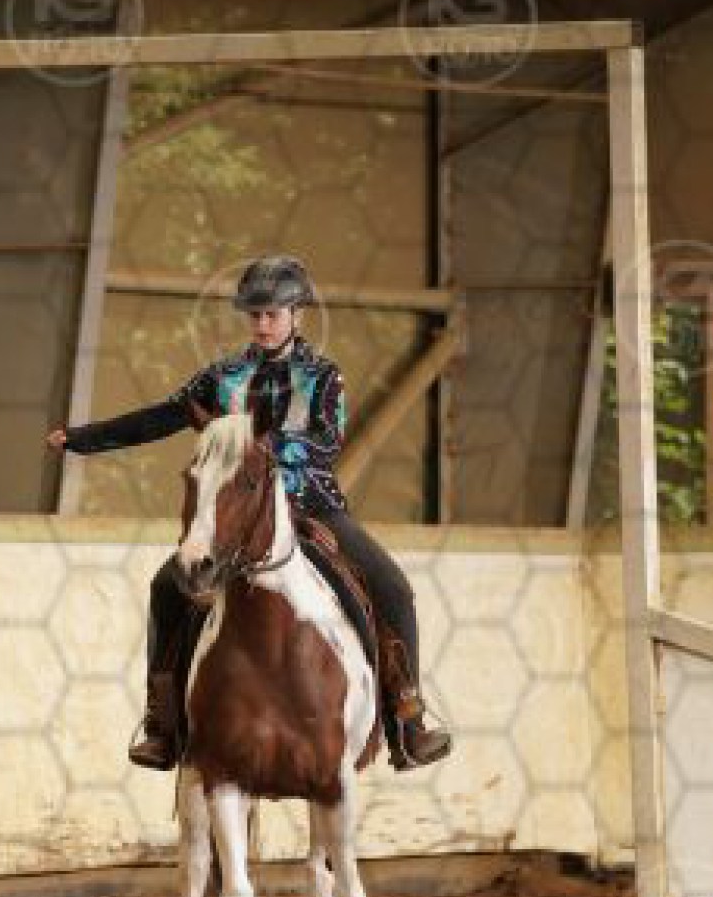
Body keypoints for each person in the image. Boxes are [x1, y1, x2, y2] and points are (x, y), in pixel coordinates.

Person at [46, 254, 452, 773]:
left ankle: (407, 718)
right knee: (167, 587)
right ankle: (162, 723)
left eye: (272, 315)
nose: (262, 324)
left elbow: (327, 442)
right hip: (240, 516)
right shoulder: (223, 377)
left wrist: (263, 447)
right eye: (254, 315)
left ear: (296, 314)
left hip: (313, 505)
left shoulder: (324, 377)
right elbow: (160, 417)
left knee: (392, 587)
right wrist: (82, 439)